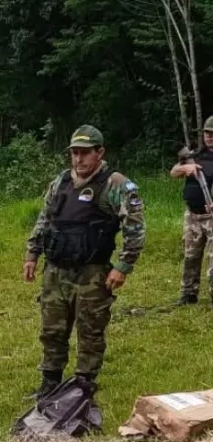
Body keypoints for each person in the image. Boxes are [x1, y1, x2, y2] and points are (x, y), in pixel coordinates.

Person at [23, 124, 145, 399]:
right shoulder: (61, 182)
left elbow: (135, 227)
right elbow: (45, 219)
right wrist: (32, 253)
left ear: (100, 152)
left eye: (85, 153)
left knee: (90, 328)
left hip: (91, 272)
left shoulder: (115, 185)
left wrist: (123, 266)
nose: (79, 159)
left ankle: (83, 383)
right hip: (55, 270)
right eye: (75, 153)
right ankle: (50, 381)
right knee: (52, 328)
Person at [169, 116, 213, 305]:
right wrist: (187, 167)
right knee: (190, 256)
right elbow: (173, 172)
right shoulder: (195, 155)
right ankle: (188, 294)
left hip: (211, 216)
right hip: (192, 216)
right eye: (207, 133)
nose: (210, 136)